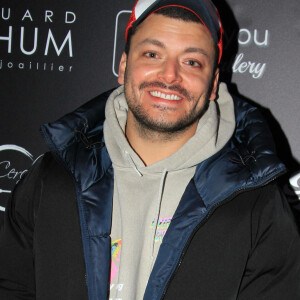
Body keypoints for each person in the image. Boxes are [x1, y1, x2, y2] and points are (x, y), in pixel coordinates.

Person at [0, 0, 300, 299]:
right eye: (152, 54)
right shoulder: (51, 179)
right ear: (123, 65)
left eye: (191, 61)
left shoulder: (256, 203)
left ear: (213, 84)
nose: (170, 75)